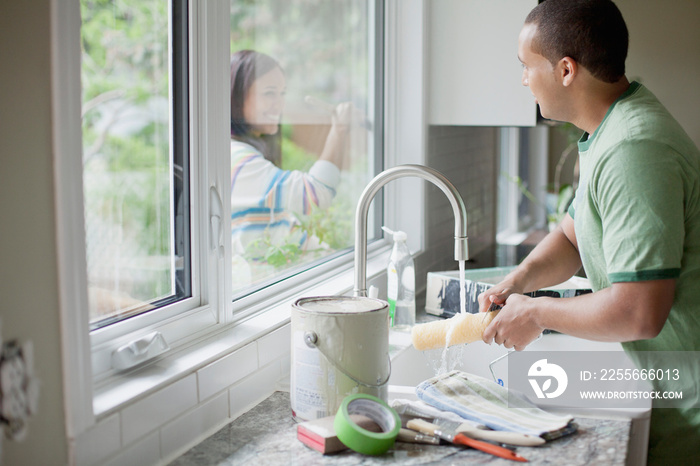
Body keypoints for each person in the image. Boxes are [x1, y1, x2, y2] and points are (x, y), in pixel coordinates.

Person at [477, 1, 700, 464]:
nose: (522, 79)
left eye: (526, 66)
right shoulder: (609, 128)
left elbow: (639, 313)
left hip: (690, 411)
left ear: (564, 70)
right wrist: (518, 282)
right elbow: (574, 236)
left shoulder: (634, 150)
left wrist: (536, 314)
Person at [229, 50, 359, 270]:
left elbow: (282, 227)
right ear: (238, 96)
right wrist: (339, 130)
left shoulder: (244, 155)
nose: (279, 104)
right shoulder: (238, 159)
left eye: (282, 94)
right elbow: (315, 196)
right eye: (270, 93)